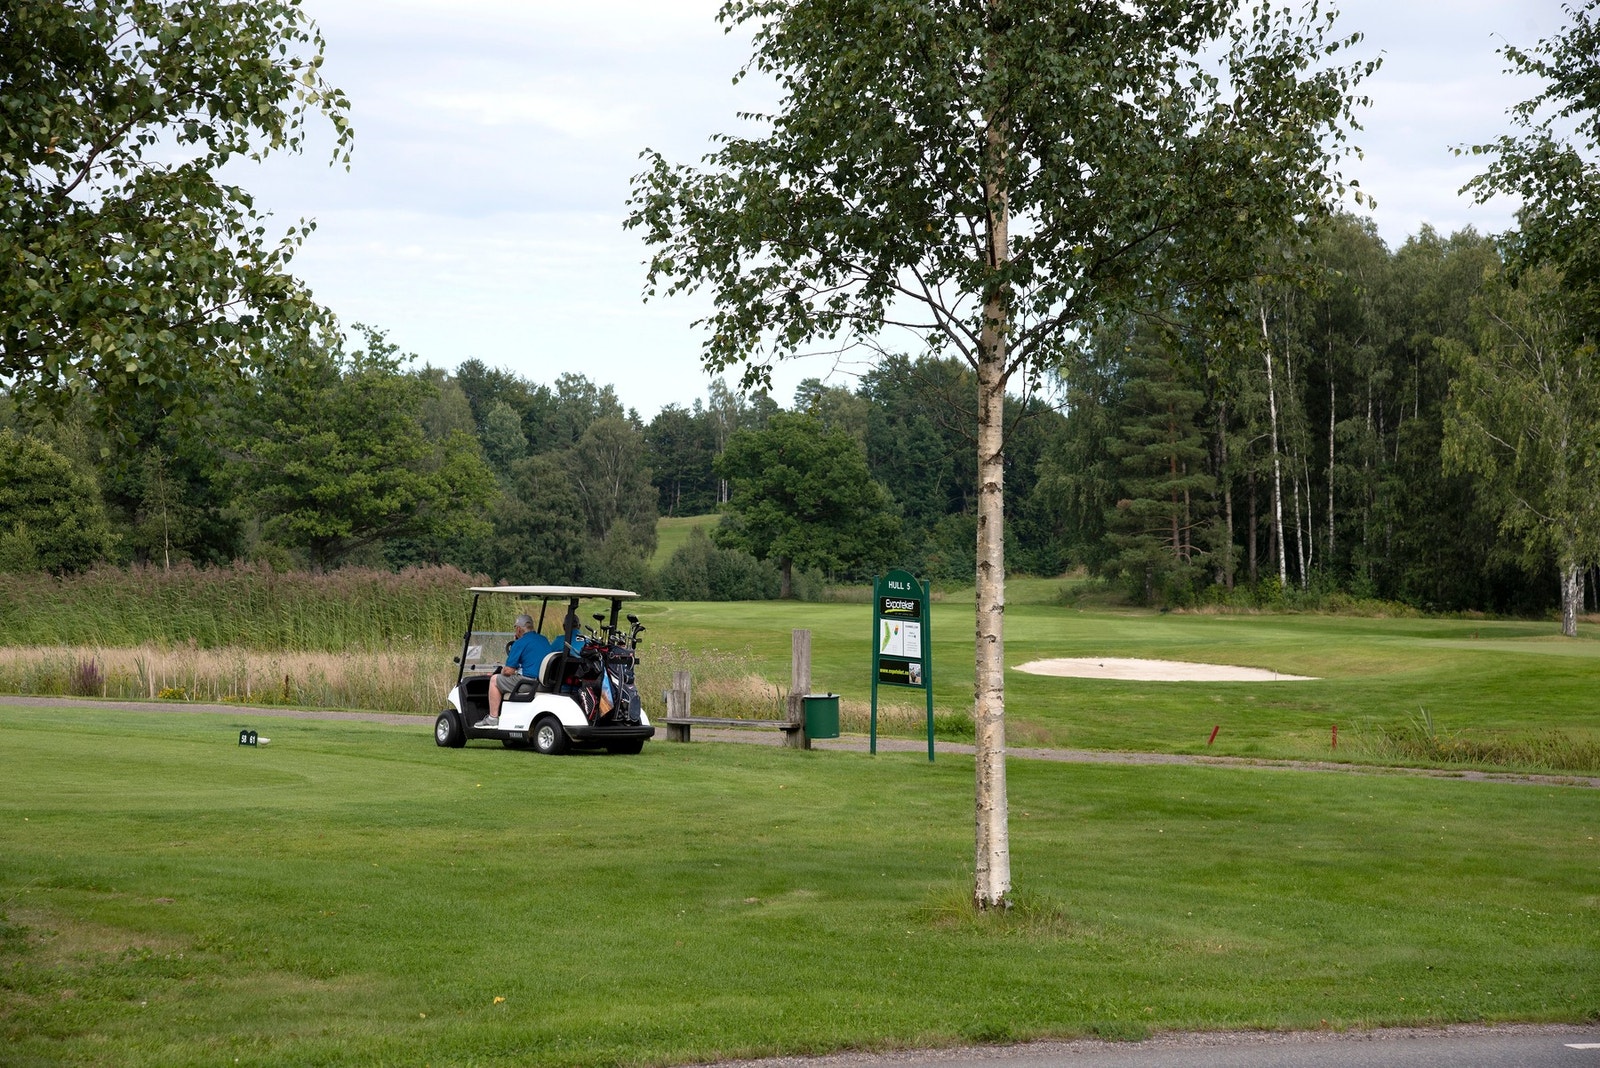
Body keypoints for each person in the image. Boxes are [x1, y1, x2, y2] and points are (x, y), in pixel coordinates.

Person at [477, 613, 554, 727]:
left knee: (494, 680)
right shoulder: (544, 639)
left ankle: (493, 718)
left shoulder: (520, 643)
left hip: (528, 684)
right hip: (544, 684)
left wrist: (501, 671)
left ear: (518, 629)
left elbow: (508, 671)